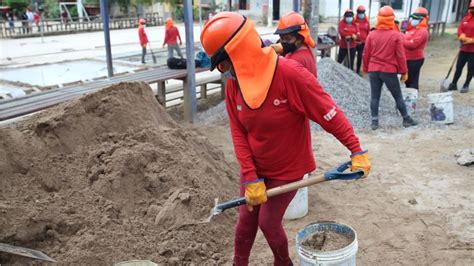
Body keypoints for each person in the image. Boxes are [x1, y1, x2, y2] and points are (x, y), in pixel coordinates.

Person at [200, 12, 371, 265]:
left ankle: (284, 263)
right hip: (257, 166)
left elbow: (329, 113)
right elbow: (239, 133)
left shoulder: (289, 74)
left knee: (268, 222)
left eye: (224, 65)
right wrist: (250, 176)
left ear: (239, 51)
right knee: (245, 223)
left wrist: (356, 151)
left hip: (287, 167)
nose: (225, 72)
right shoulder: (233, 86)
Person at [363, 6, 418, 130]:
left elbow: (366, 53)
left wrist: (366, 68)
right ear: (392, 19)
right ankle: (406, 119)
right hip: (388, 70)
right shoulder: (396, 35)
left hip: (374, 70)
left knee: (375, 96)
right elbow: (400, 56)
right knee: (397, 96)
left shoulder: (371, 34)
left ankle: (374, 122)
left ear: (379, 18)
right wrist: (404, 71)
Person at [270, 11, 317, 78]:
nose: (283, 42)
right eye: (282, 38)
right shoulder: (303, 49)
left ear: (299, 38)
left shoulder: (297, 59)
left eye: (288, 39)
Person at [448, 1, 474, 93]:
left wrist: (472, 40)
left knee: (471, 68)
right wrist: (461, 35)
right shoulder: (465, 19)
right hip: (463, 48)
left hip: (473, 50)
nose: (472, 10)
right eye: (471, 8)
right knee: (459, 67)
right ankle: (453, 83)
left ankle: (466, 85)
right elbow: (460, 28)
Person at [403, 12, 429, 90]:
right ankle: (409, 98)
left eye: (415, 19)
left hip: (415, 59)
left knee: (412, 81)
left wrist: (401, 39)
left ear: (420, 20)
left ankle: (412, 99)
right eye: (412, 18)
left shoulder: (422, 31)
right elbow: (407, 41)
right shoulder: (413, 29)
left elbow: (412, 45)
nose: (412, 20)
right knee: (407, 80)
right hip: (407, 58)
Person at [354, 5, 370, 76]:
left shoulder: (366, 21)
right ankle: (350, 70)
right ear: (357, 12)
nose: (361, 14)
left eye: (362, 12)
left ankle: (358, 71)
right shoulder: (354, 21)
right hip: (354, 42)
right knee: (351, 56)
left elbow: (368, 32)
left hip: (363, 42)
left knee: (360, 57)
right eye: (359, 12)